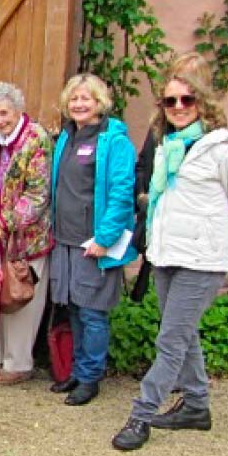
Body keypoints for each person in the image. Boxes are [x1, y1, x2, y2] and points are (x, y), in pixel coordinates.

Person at [111, 72, 228, 451]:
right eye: (170, 101)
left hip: (202, 259)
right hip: (168, 254)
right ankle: (196, 406)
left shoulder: (223, 148)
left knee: (171, 339)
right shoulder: (169, 146)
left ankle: (140, 415)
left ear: (203, 103)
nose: (178, 107)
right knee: (182, 333)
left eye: (187, 100)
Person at [49, 73, 137, 405]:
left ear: (99, 103)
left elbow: (121, 193)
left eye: (86, 98)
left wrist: (105, 237)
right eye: (74, 99)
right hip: (66, 239)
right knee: (73, 308)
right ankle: (76, 371)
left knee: (93, 312)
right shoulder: (67, 137)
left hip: (95, 242)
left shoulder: (114, 141)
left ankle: (90, 378)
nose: (80, 104)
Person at [0, 82, 53, 385]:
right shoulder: (0, 139)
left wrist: (6, 220)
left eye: (4, 113)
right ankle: (1, 357)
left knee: (21, 297)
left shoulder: (36, 138)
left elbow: (38, 194)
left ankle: (19, 362)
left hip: (24, 237)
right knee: (0, 296)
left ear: (18, 110)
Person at [131, 52, 214, 302]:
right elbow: (143, 164)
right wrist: (143, 198)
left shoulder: (212, 138)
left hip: (192, 245)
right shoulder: (162, 127)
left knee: (175, 333)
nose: (179, 104)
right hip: (159, 230)